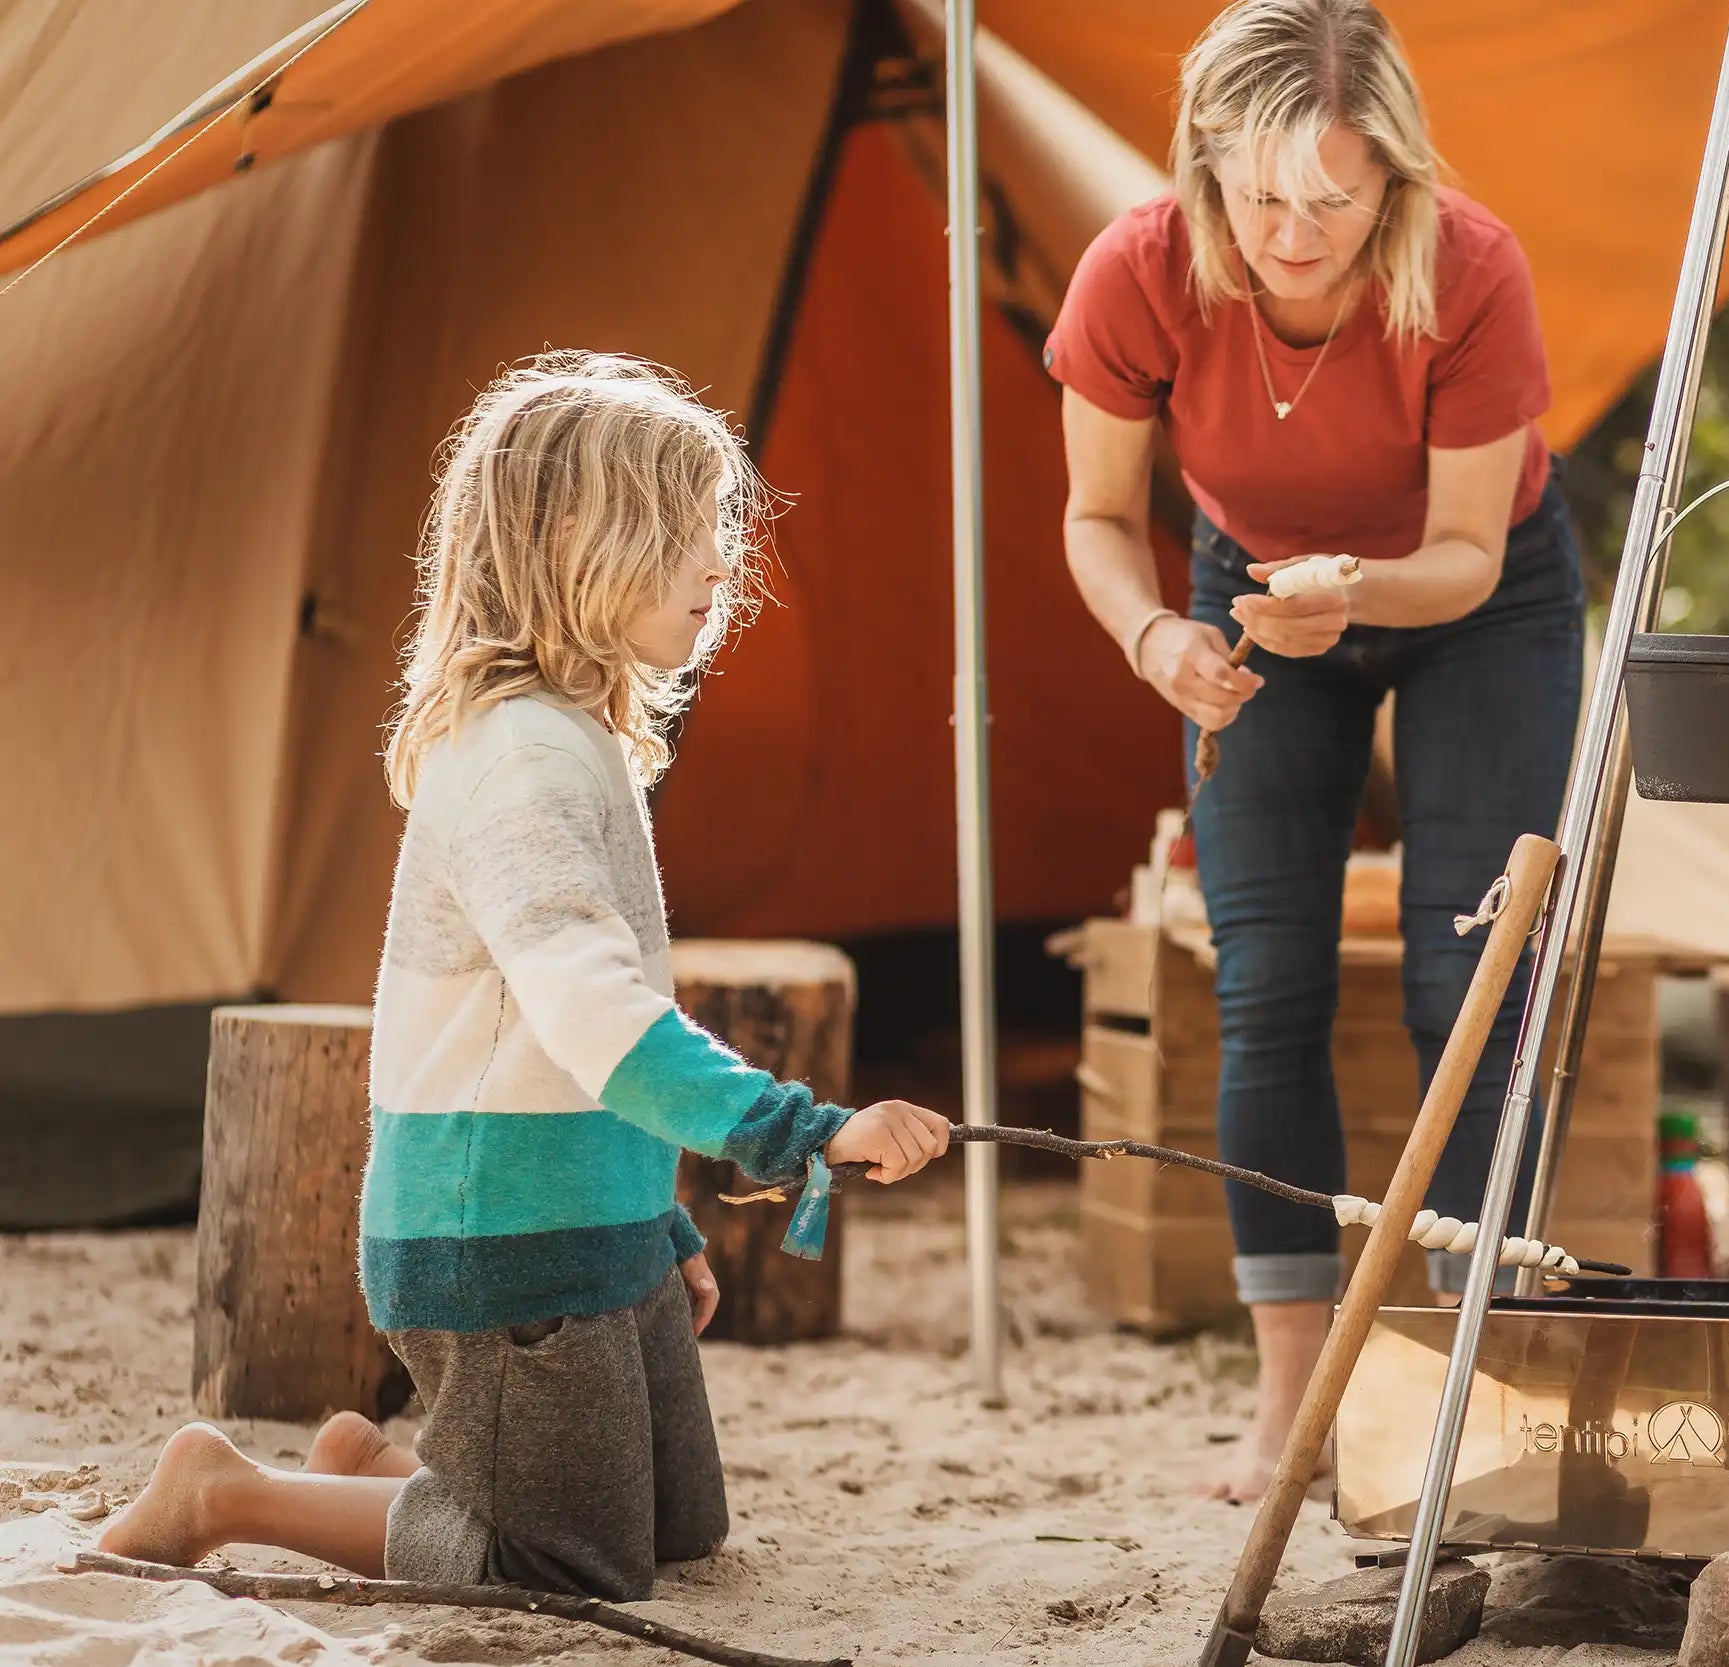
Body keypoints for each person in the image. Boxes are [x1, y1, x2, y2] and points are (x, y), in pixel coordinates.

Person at [93, 354, 954, 1597]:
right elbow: (593, 1009)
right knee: (568, 1560)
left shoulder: (582, 736)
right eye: (679, 529)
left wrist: (656, 1222)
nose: (718, 561)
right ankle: (226, 1489)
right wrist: (796, 1132)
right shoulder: (518, 761)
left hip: (590, 1227)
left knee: (676, 1527)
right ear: (565, 540)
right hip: (498, 1243)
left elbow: (554, 1053)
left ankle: (373, 1465)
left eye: (715, 528)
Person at [1046, 0, 1583, 1500]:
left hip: (1479, 597)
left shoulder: (1468, 269)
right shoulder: (1138, 270)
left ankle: (1481, 1385)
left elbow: (1470, 552)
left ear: (1393, 181)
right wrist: (1161, 637)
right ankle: (1290, 1404)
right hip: (1247, 583)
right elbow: (1096, 515)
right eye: (1261, 193)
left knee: (1464, 981)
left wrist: (1355, 592)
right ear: (1205, 166)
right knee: (1266, 978)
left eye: (1333, 200)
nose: (1293, 231)